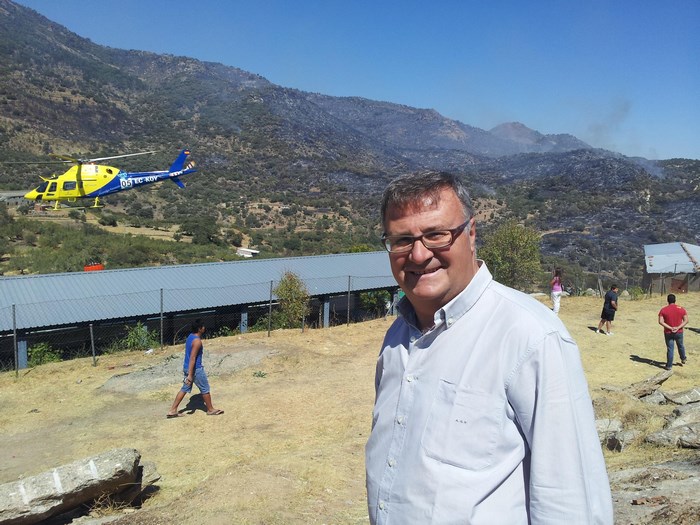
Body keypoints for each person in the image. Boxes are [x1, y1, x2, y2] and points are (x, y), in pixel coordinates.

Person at [365, 171, 612, 524]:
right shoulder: (396, 338)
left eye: (436, 234)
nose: (419, 255)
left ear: (471, 234)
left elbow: (571, 501)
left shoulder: (530, 337)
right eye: (402, 240)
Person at [166, 319, 224, 418]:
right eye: (203, 326)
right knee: (205, 388)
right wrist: (190, 375)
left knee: (185, 388)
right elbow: (193, 358)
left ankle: (173, 410)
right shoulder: (197, 341)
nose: (204, 328)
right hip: (195, 369)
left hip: (187, 367)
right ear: (199, 329)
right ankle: (210, 409)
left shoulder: (190, 337)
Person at [658, 294, 688, 370]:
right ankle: (683, 358)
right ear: (675, 300)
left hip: (668, 332)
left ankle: (669, 366)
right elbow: (686, 320)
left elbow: (660, 321)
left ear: (667, 300)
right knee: (680, 345)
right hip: (679, 332)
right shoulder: (681, 309)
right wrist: (678, 327)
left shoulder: (663, 310)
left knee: (670, 348)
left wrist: (670, 328)